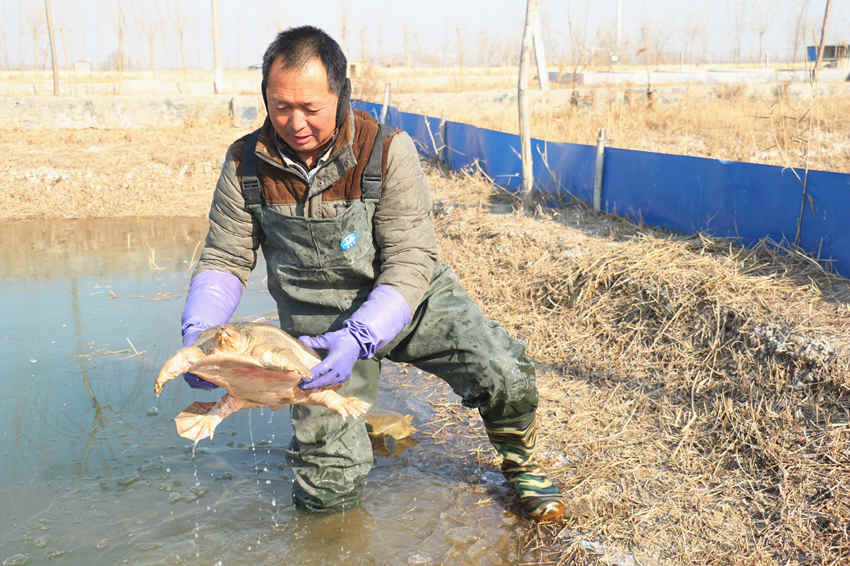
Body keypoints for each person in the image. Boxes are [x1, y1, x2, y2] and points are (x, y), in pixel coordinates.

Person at [179, 25, 565, 521]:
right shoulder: (245, 164)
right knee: (324, 488)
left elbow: (410, 260)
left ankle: (521, 461)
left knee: (502, 370)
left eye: (310, 108)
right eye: (281, 107)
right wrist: (200, 335)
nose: (295, 122)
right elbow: (225, 258)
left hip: (408, 302)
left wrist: (361, 335)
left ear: (340, 97)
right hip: (316, 332)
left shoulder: (384, 150)